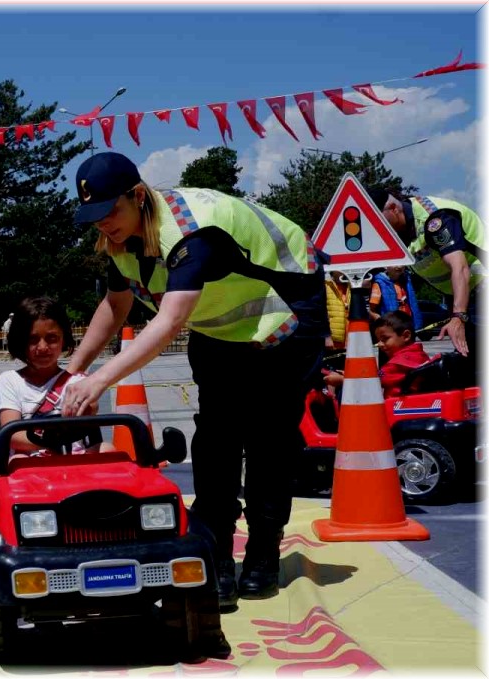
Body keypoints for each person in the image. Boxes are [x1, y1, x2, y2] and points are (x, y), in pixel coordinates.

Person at [59, 152, 326, 613]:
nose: (103, 225)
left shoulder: (192, 232)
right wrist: (74, 371)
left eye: (110, 213)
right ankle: (216, 554)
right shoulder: (121, 240)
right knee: (216, 441)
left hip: (282, 313)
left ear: (137, 196)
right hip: (220, 326)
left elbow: (169, 321)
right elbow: (114, 305)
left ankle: (263, 552)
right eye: (94, 218)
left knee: (269, 440)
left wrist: (100, 381)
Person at [368, 188, 483, 359]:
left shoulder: (435, 219)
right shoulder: (398, 232)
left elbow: (460, 267)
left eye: (378, 221)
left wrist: (458, 316)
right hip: (462, 293)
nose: (377, 228)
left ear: (393, 208)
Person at [0, 298, 96, 461]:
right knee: (17, 460)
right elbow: (12, 434)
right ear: (21, 341)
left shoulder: (78, 382)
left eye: (51, 338)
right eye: (33, 339)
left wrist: (89, 406)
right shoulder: (10, 380)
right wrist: (51, 441)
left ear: (63, 339)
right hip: (32, 458)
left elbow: (90, 413)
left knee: (107, 448)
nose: (42, 347)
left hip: (74, 457)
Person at [323, 310, 431, 397]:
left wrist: (343, 380)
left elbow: (374, 381)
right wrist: (349, 374)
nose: (379, 344)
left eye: (385, 339)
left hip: (397, 411)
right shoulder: (419, 355)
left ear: (406, 336)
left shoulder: (399, 363)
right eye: (379, 340)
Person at [323, 271, 350, 353]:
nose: (343, 272)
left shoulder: (353, 285)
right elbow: (320, 314)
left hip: (352, 342)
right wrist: (326, 337)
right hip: (332, 343)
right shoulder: (325, 286)